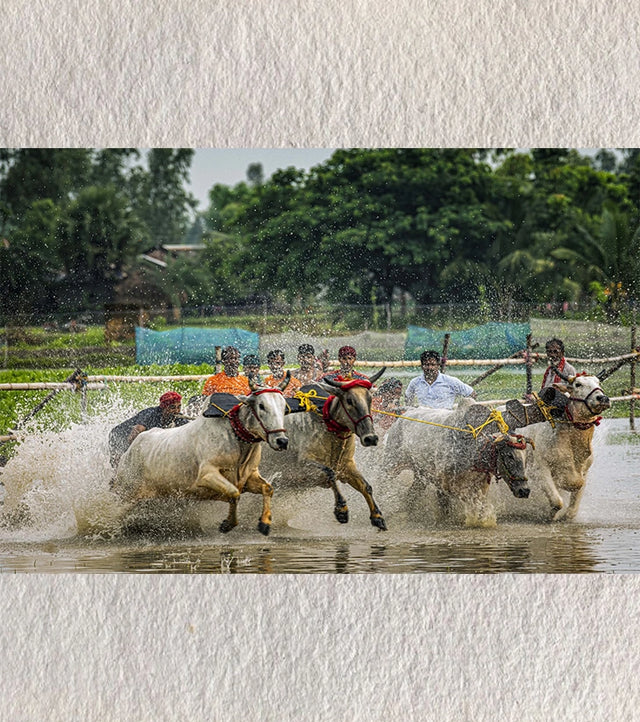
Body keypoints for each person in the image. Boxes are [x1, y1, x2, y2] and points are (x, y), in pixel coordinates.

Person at [108, 391, 189, 467]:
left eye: (179, 407)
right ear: (164, 407)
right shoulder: (150, 414)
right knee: (121, 466)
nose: (177, 411)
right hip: (119, 437)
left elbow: (189, 430)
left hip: (133, 438)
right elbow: (134, 435)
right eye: (173, 407)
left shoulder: (178, 417)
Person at [404, 349, 475, 409]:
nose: (430, 368)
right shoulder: (415, 382)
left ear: (438, 365)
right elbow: (408, 397)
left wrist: (462, 410)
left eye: (432, 364)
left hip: (444, 420)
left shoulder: (450, 381)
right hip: (424, 419)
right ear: (422, 366)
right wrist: (411, 410)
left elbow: (471, 393)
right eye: (426, 365)